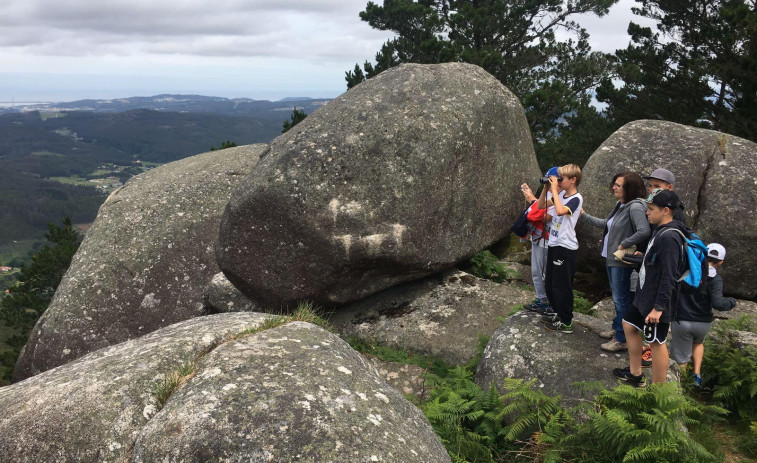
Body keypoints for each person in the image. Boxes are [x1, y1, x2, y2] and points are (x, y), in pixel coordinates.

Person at [613, 189, 687, 386]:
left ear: (666, 210)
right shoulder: (660, 230)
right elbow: (659, 261)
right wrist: (644, 256)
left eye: (652, 209)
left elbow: (669, 275)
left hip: (657, 302)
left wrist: (658, 308)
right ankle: (635, 374)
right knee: (628, 324)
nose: (647, 212)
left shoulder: (670, 237)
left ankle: (658, 391)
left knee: (656, 342)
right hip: (645, 297)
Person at [580, 172, 650, 352]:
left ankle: (622, 339)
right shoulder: (621, 205)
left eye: (618, 185)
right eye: (615, 184)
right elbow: (607, 225)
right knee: (618, 298)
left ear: (630, 188)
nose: (614, 187)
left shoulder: (635, 207)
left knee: (621, 299)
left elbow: (644, 230)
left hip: (621, 260)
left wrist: (625, 243)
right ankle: (617, 328)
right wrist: (584, 215)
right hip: (612, 258)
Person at [670, 243, 737, 386]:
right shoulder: (716, 280)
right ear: (720, 262)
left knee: (682, 357)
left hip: (682, 320)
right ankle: (696, 375)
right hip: (703, 322)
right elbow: (718, 304)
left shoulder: (687, 270)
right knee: (698, 343)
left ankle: (680, 387)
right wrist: (731, 302)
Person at [536, 164, 583, 333]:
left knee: (561, 286)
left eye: (562, 179)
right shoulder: (561, 193)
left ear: (573, 180)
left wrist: (555, 190)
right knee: (550, 284)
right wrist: (546, 188)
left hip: (566, 247)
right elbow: (541, 205)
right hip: (555, 243)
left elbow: (561, 211)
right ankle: (558, 313)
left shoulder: (576, 198)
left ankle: (566, 321)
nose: (559, 181)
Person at [521, 168, 556, 313]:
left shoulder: (559, 196)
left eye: (550, 179)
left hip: (548, 240)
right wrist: (532, 198)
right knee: (536, 272)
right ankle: (541, 299)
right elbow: (538, 208)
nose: (547, 181)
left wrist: (532, 201)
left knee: (544, 273)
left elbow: (547, 217)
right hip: (537, 238)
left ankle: (549, 303)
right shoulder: (547, 193)